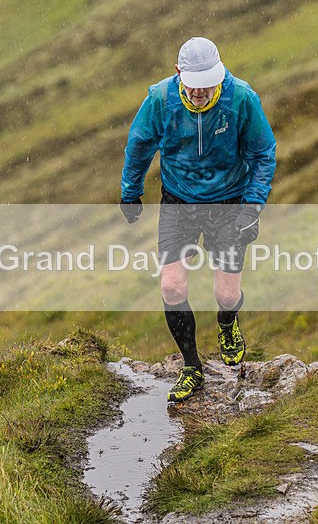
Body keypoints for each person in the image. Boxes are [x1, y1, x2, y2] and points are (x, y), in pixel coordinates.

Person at [120, 36, 277, 402]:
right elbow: (139, 144)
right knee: (172, 287)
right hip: (178, 202)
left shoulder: (241, 98)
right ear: (179, 74)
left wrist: (252, 207)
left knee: (226, 293)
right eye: (195, 86)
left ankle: (226, 322)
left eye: (210, 85)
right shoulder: (160, 100)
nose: (203, 93)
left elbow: (263, 152)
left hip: (230, 203)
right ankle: (192, 368)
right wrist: (130, 191)